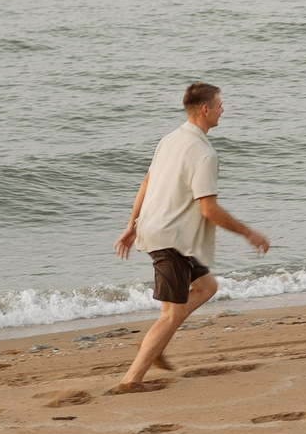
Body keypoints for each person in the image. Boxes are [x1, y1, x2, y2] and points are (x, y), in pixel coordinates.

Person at [112, 81, 269, 392]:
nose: (224, 110)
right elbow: (209, 210)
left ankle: (158, 343)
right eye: (220, 105)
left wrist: (132, 224)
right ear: (206, 110)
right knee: (174, 313)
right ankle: (131, 380)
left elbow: (146, 181)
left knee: (207, 286)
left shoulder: (170, 139)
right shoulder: (204, 153)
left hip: (165, 233)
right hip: (170, 239)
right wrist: (248, 232)